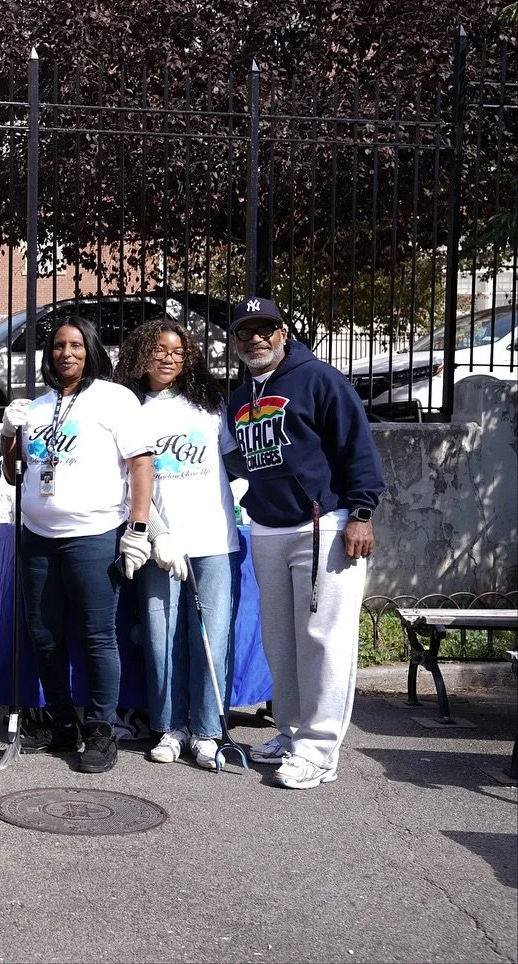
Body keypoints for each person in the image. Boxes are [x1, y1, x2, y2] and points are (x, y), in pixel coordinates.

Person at [226, 296, 385, 789]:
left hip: (326, 525)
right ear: (235, 341)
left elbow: (357, 448)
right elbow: (237, 460)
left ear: (282, 332)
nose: (255, 338)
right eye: (245, 331)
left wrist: (361, 512)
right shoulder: (239, 395)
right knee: (280, 639)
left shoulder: (319, 379)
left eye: (264, 329)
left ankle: (319, 750)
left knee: (324, 640)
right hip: (270, 527)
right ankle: (291, 731)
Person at [0, 317, 154, 774]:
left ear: (90, 349)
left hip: (94, 535)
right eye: (58, 346)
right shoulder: (39, 407)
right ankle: (64, 724)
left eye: (76, 345)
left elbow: (141, 465)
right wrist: (10, 435)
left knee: (96, 635)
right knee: (45, 636)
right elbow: (14, 474)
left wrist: (139, 528)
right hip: (39, 537)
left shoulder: (114, 399)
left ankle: (102, 730)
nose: (66, 352)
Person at [114, 319, 239, 770]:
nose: (169, 358)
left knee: (212, 635)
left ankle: (207, 731)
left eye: (178, 351)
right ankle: (170, 727)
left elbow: (232, 464)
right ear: (142, 353)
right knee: (160, 636)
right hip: (159, 545)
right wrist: (158, 532)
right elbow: (127, 481)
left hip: (212, 540)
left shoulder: (208, 406)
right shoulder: (129, 409)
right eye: (160, 349)